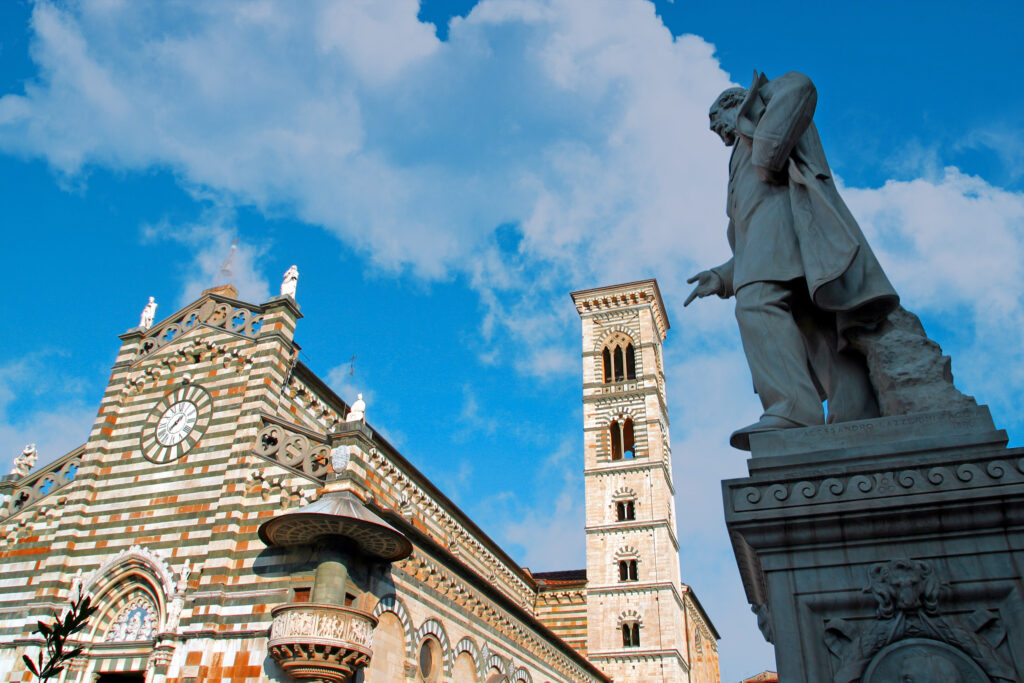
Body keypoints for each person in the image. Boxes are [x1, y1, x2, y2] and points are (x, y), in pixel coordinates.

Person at [685, 71, 899, 450]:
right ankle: (856, 414)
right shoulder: (739, 151)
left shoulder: (772, 101)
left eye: (716, 121)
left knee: (756, 304)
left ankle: (792, 409)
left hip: (795, 233)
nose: (716, 132)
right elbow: (751, 235)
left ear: (733, 104)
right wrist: (722, 276)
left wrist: (755, 118)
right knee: (822, 331)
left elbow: (798, 97)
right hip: (776, 248)